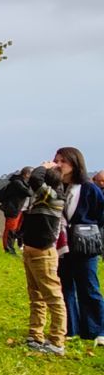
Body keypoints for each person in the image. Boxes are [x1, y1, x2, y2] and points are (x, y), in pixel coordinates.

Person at [53, 146, 104, 344]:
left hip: (85, 244)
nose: (58, 165)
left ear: (74, 164)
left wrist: (87, 229)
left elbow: (100, 215)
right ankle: (70, 329)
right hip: (63, 245)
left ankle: (96, 330)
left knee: (89, 287)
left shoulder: (89, 188)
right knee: (65, 286)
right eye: (56, 161)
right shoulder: (56, 187)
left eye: (62, 161)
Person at [20, 165, 67, 354]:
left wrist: (44, 166)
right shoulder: (43, 197)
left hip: (43, 253)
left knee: (53, 298)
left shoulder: (53, 197)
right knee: (36, 296)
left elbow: (35, 179)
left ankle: (56, 341)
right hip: (32, 251)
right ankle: (35, 334)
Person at [0, 168, 32, 254]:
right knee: (10, 230)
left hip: (21, 210)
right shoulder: (17, 182)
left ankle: (12, 248)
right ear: (27, 174)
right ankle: (9, 249)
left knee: (17, 230)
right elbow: (29, 192)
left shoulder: (22, 182)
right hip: (13, 209)